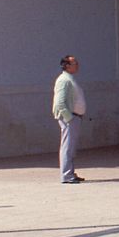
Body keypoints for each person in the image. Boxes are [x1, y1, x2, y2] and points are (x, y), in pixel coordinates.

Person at [51, 54, 86, 184]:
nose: (77, 65)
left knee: (70, 147)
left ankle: (70, 173)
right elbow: (60, 102)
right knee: (67, 147)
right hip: (70, 118)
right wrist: (69, 118)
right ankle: (66, 175)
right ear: (66, 66)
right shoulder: (63, 80)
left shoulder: (69, 78)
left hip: (74, 117)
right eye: (74, 63)